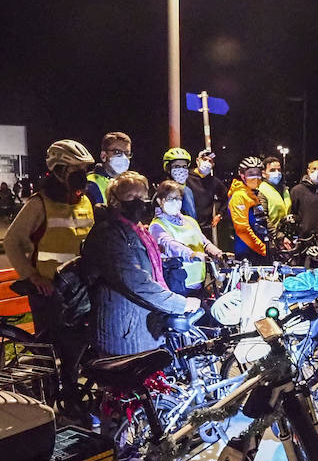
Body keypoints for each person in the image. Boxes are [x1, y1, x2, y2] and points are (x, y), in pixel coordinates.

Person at [80, 171, 199, 355]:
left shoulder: (137, 231)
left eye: (141, 196)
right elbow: (134, 281)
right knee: (129, 383)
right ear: (114, 200)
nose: (138, 201)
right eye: (130, 196)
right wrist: (179, 303)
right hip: (124, 333)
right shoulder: (109, 233)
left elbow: (147, 266)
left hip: (143, 326)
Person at [2, 139, 97, 335]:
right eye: (75, 168)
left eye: (83, 169)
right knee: (51, 349)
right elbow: (11, 241)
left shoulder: (85, 201)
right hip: (50, 291)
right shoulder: (39, 204)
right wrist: (32, 276)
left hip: (80, 289)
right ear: (59, 171)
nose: (82, 174)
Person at [151, 179, 224, 295]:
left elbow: (203, 241)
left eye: (178, 198)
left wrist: (217, 253)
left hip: (199, 281)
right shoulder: (157, 226)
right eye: (170, 198)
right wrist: (191, 255)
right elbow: (170, 245)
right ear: (160, 201)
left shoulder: (189, 221)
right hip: (177, 284)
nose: (175, 202)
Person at [229, 156, 271, 263]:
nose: (256, 177)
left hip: (258, 250)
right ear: (242, 175)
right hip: (246, 252)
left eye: (258, 173)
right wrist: (263, 249)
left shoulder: (252, 194)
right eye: (251, 173)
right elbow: (242, 229)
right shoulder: (239, 196)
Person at [187, 147, 227, 243]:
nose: (207, 163)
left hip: (205, 227)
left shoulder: (214, 182)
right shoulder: (186, 176)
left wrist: (220, 214)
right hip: (186, 225)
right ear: (197, 160)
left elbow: (226, 197)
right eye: (204, 160)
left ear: (213, 165)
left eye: (210, 161)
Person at [86, 131, 132, 206]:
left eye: (127, 153)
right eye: (117, 152)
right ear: (103, 156)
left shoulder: (130, 184)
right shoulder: (90, 184)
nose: (123, 157)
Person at [289, 159, 318, 239]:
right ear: (308, 171)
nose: (317, 172)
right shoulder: (297, 190)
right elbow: (292, 212)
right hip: (303, 238)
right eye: (314, 169)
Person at [161, 147, 197, 218]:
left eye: (184, 166)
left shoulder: (188, 190)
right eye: (177, 166)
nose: (181, 169)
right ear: (168, 169)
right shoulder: (163, 192)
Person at [258, 156, 292, 226]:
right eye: (272, 170)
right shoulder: (261, 190)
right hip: (272, 234)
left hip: (285, 232)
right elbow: (263, 219)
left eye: (279, 170)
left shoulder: (285, 189)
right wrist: (278, 235)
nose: (277, 173)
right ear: (264, 174)